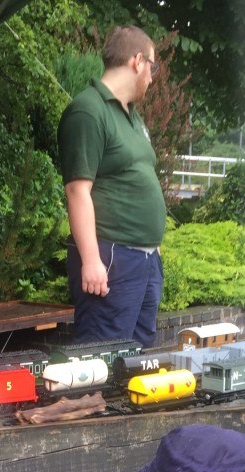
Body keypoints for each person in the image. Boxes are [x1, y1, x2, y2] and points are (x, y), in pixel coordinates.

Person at [57, 25, 166, 348]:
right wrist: (91, 260)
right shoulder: (88, 111)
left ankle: (117, 402)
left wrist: (153, 248)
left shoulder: (132, 116)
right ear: (137, 61)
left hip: (144, 260)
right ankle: (93, 402)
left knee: (136, 357)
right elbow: (77, 191)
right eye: (153, 67)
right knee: (102, 357)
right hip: (111, 257)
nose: (152, 76)